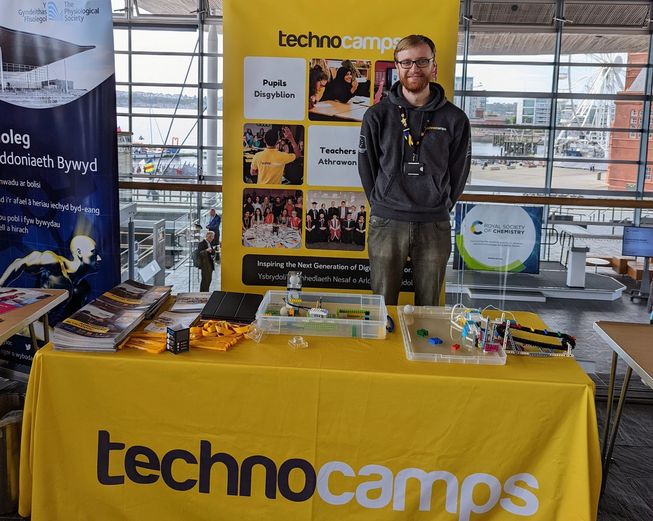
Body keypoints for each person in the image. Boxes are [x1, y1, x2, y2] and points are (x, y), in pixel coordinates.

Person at [358, 34, 471, 305]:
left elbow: (459, 171)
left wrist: (441, 203)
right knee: (382, 307)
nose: (414, 69)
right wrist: (381, 201)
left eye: (422, 61)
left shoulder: (455, 119)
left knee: (429, 307)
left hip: (434, 223)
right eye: (406, 62)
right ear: (397, 66)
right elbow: (367, 166)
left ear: (434, 66)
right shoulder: (377, 116)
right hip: (387, 221)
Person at [0, 234, 101, 318]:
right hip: (31, 323)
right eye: (94, 252)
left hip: (50, 329)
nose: (99, 258)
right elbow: (18, 263)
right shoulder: (54, 262)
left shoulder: (84, 289)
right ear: (79, 252)